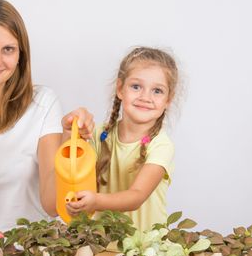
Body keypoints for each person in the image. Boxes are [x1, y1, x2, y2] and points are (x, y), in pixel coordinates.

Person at [0, 0, 93, 231]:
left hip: (32, 251)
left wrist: (69, 140)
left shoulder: (43, 103)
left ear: (20, 55)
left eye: (8, 49)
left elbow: (51, 204)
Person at [67, 47, 179, 232]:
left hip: (145, 251)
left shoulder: (161, 145)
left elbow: (136, 196)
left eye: (157, 91)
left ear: (168, 99)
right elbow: (69, 170)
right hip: (101, 245)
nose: (145, 97)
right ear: (120, 89)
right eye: (136, 87)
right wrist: (70, 126)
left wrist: (95, 201)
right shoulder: (99, 135)